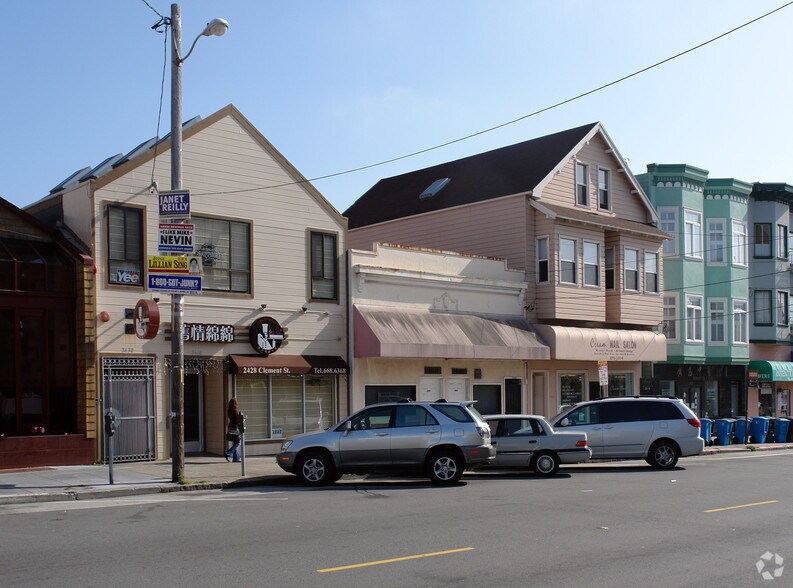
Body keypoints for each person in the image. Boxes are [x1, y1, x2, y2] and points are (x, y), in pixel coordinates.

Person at [225, 398, 241, 462]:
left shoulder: (229, 410)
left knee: (235, 442)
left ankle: (236, 458)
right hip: (235, 428)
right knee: (237, 443)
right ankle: (228, 453)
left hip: (230, 427)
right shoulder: (235, 411)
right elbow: (237, 420)